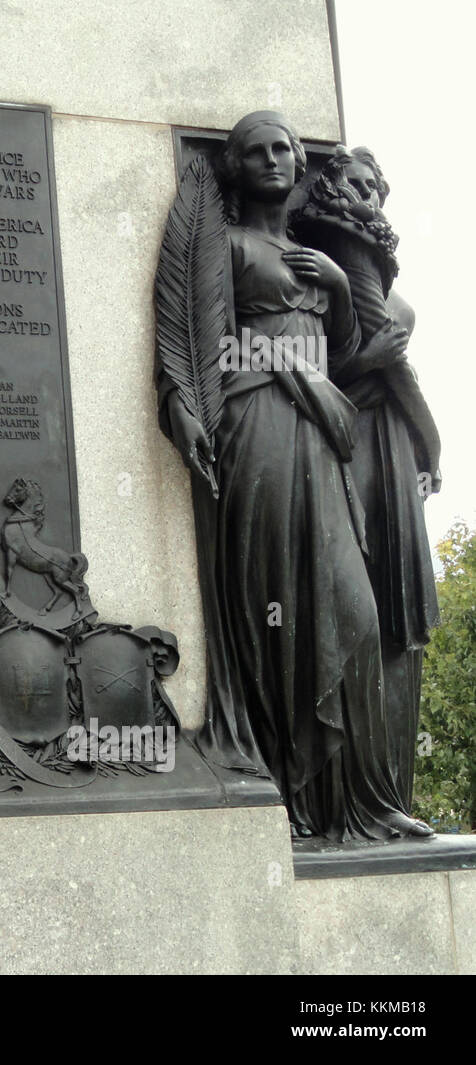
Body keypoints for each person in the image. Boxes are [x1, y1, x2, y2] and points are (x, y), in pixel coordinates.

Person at [158, 111, 431, 840]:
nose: (276, 158)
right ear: (236, 169)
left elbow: (342, 356)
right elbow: (200, 336)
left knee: (357, 615)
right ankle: (297, 799)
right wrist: (181, 402)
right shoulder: (231, 245)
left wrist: (341, 288)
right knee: (285, 597)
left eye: (284, 148)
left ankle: (365, 804)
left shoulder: (314, 257)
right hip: (262, 425)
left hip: (324, 432)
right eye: (256, 152)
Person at [292, 146, 441, 812]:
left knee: (394, 622)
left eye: (375, 188)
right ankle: (351, 793)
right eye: (354, 183)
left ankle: (389, 794)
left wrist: (425, 447)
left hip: (389, 446)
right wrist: (434, 443)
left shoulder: (365, 262)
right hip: (356, 445)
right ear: (330, 184)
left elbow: (389, 367)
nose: (366, 196)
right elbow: (322, 375)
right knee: (360, 611)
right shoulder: (335, 254)